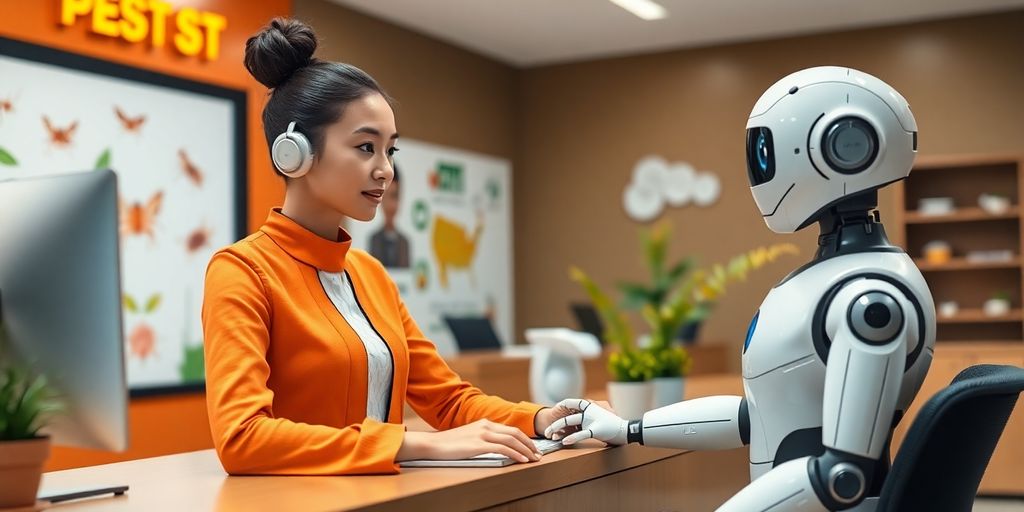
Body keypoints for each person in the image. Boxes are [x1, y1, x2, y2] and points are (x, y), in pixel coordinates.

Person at [201, 17, 577, 475]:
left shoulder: (369, 275)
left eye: (390, 151)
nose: (385, 170)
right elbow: (242, 438)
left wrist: (542, 418)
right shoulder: (242, 271)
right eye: (365, 148)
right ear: (293, 152)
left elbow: (447, 401)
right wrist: (417, 445)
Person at [368, 164, 411, 268]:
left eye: (394, 196)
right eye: (385, 196)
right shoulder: (374, 240)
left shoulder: (405, 243)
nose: (390, 205)